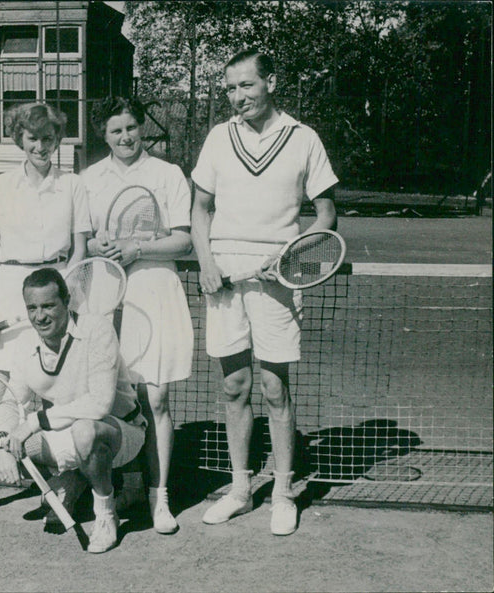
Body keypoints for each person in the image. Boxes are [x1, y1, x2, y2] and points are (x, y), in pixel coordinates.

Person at [190, 49, 338, 536]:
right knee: (234, 387)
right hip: (224, 279)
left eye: (247, 86)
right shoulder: (217, 137)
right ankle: (238, 489)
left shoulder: (304, 139)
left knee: (275, 389)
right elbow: (201, 209)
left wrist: (291, 258)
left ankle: (281, 492)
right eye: (230, 89)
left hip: (277, 279)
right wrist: (207, 262)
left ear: (270, 82)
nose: (238, 98)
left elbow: (326, 215)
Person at [0, 268, 147, 554]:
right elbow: (11, 401)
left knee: (85, 431)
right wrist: (2, 446)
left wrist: (35, 422)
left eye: (48, 306)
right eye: (32, 308)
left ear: (67, 301)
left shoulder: (97, 329)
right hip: (64, 433)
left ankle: (106, 514)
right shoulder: (25, 344)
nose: (40, 316)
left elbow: (100, 404)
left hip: (120, 433)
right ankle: (69, 480)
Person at [82, 96, 193, 535]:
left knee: (157, 399)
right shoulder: (90, 179)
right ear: (102, 136)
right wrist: (98, 248)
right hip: (107, 292)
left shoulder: (166, 174)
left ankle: (158, 496)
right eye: (115, 131)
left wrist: (138, 248)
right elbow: (86, 239)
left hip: (155, 289)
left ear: (140, 127)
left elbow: (183, 241)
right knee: (110, 399)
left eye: (131, 128)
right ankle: (120, 488)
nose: (125, 137)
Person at [0, 102, 89, 374]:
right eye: (33, 138)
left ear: (58, 139)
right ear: (20, 140)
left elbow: (80, 249)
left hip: (57, 291)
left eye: (48, 138)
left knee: (57, 391)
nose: (40, 146)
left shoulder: (73, 185)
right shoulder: (1, 185)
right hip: (10, 291)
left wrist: (65, 294)